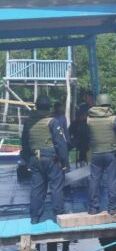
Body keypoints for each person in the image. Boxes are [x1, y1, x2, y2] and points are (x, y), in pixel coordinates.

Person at [21, 95, 68, 224]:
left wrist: (27, 160)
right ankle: (59, 215)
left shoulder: (29, 121)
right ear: (49, 107)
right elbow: (60, 143)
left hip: (35, 159)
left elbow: (24, 143)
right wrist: (64, 161)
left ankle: (35, 218)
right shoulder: (52, 121)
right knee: (56, 187)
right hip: (51, 159)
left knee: (37, 189)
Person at [87, 93, 116, 216]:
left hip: (96, 153)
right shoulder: (113, 119)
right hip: (111, 153)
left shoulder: (89, 119)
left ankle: (93, 208)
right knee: (112, 180)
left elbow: (87, 135)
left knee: (94, 180)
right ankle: (112, 208)